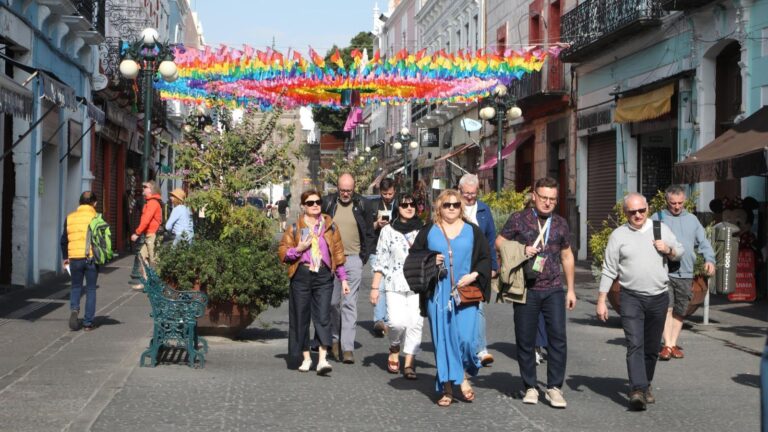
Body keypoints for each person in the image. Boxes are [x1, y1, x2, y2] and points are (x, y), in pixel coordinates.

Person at [596, 192, 684, 411]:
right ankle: (637, 389)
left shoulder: (660, 229)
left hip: (658, 296)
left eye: (641, 210)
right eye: (632, 211)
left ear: (647, 208)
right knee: (634, 343)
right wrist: (601, 299)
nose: (637, 215)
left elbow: (680, 252)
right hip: (631, 297)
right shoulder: (618, 235)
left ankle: (645, 385)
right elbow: (608, 268)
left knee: (652, 347)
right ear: (625, 212)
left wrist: (669, 250)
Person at [495, 177, 576, 408]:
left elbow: (567, 256)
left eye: (552, 199)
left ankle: (554, 388)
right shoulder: (518, 219)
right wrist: (521, 249)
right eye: (544, 198)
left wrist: (570, 289)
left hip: (553, 289)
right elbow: (499, 243)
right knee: (525, 339)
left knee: (558, 338)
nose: (548, 203)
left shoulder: (560, 223)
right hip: (526, 290)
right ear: (534, 196)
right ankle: (530, 386)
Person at [410, 189, 491, 407]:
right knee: (443, 342)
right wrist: (430, 260)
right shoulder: (429, 231)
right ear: (439, 207)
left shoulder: (472, 231)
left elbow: (485, 258)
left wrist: (474, 275)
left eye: (456, 204)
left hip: (465, 291)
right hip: (438, 294)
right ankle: (448, 386)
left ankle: (462, 373)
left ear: (461, 207)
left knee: (465, 339)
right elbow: (414, 258)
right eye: (447, 205)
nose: (452, 208)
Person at [278, 190, 350, 375]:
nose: (315, 205)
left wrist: (343, 279)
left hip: (324, 275)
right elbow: (283, 253)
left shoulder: (330, 226)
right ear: (303, 206)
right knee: (301, 317)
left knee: (323, 315)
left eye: (317, 202)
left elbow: (339, 254)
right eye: (310, 203)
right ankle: (306, 358)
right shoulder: (294, 227)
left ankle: (322, 359)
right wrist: (298, 249)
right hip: (301, 274)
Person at [651, 185, 715, 360]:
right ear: (667, 201)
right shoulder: (657, 218)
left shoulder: (692, 220)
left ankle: (671, 344)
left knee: (680, 309)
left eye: (679, 203)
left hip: (686, 271)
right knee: (667, 308)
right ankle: (667, 345)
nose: (677, 206)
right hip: (664, 271)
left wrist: (709, 259)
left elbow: (704, 242)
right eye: (673, 203)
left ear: (684, 201)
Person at [321, 173, 374, 363]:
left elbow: (369, 232)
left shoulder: (363, 204)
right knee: (333, 303)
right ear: (337, 188)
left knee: (350, 303)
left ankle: (347, 347)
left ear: (354, 188)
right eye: (342, 190)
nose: (345, 194)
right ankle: (334, 340)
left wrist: (363, 257)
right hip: (331, 261)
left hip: (353, 260)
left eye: (349, 190)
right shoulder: (328, 203)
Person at [370, 193, 424, 379]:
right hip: (394, 283)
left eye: (412, 204)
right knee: (396, 322)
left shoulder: (423, 229)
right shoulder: (388, 231)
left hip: (418, 284)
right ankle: (394, 346)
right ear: (397, 208)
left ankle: (409, 361)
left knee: (416, 323)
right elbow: (381, 261)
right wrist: (375, 288)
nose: (409, 208)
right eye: (404, 205)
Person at [458, 173, 498, 367]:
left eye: (473, 194)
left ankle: (481, 350)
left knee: (479, 306)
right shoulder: (453, 208)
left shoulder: (483, 210)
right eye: (466, 193)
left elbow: (491, 240)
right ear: (460, 192)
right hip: (458, 264)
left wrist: (493, 265)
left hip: (479, 264)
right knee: (458, 304)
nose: (470, 197)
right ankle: (460, 344)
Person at [60, 191, 100, 331]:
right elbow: (101, 241)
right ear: (94, 203)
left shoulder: (70, 218)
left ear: (79, 202)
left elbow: (63, 240)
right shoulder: (96, 217)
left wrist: (66, 258)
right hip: (90, 258)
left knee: (76, 286)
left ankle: (74, 310)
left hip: (74, 258)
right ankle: (88, 323)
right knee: (90, 289)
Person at [369, 177, 398, 337]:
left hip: (394, 249)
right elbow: (366, 227)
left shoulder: (400, 204)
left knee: (390, 284)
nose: (388, 196)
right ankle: (379, 320)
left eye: (390, 193)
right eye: (385, 193)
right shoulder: (373, 205)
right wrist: (376, 224)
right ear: (380, 192)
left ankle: (388, 319)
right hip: (377, 248)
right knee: (379, 284)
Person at [131, 181, 163, 279]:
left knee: (153, 260)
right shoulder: (149, 202)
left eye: (145, 187)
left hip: (152, 234)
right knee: (142, 256)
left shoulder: (152, 203)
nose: (143, 188)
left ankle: (156, 282)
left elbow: (146, 219)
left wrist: (137, 233)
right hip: (149, 234)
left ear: (151, 190)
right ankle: (147, 282)